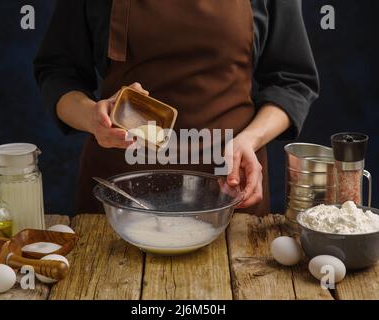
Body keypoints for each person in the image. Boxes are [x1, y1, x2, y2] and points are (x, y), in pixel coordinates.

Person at [34, 0, 319, 215]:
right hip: (118, 196)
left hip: (230, 186)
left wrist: (251, 138)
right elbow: (59, 72)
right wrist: (91, 117)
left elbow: (292, 82)